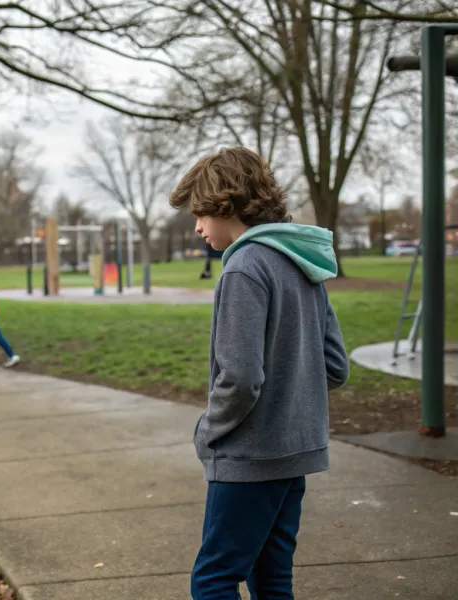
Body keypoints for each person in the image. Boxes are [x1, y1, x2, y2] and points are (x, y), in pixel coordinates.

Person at [168, 147, 349, 599]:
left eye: (200, 214)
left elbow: (241, 379)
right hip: (296, 455)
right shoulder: (301, 262)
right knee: (273, 580)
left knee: (213, 580)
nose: (197, 227)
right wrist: (291, 404)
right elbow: (335, 366)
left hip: (250, 460)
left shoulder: (243, 269)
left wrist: (208, 431)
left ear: (224, 205)